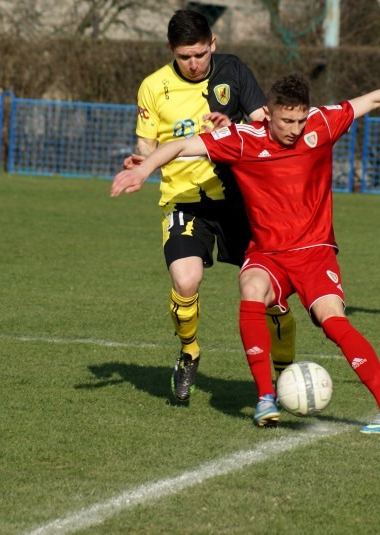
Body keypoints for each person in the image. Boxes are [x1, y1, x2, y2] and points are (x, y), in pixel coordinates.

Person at [112, 66, 380, 432]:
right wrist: (143, 170)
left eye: (300, 120)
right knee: (251, 288)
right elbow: (181, 145)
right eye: (287, 121)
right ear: (268, 114)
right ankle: (265, 398)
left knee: (333, 320)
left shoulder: (322, 123)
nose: (295, 129)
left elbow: (376, 98)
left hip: (315, 251)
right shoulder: (244, 138)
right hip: (267, 254)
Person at [126, 9, 296, 402]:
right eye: (184, 56)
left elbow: (266, 128)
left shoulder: (233, 72)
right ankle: (189, 351)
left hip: (241, 199)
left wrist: (232, 130)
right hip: (185, 199)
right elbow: (146, 144)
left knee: (271, 294)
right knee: (185, 281)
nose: (194, 63)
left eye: (200, 54)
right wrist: (141, 161)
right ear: (171, 50)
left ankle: (285, 369)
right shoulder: (153, 87)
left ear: (213, 44)